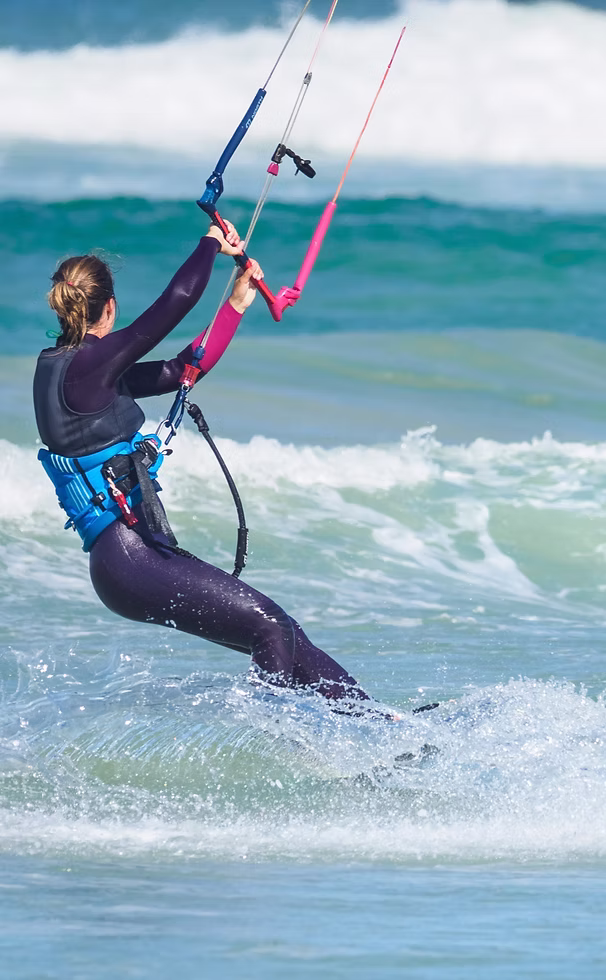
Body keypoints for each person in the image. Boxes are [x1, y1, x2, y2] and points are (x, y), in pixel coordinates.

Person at [33, 222, 377, 710]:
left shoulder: (73, 370)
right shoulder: (87, 369)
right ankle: (279, 741)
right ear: (108, 308)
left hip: (129, 557)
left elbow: (180, 371)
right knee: (270, 626)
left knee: (285, 632)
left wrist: (235, 305)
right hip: (127, 556)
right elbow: (176, 301)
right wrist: (211, 242)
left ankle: (375, 723)